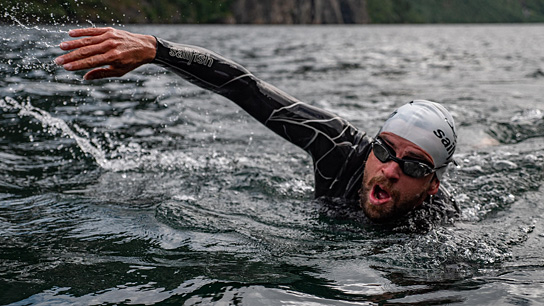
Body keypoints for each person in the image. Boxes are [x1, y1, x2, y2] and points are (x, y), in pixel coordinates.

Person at [54, 27, 458, 225]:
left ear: (432, 184)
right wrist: (158, 51)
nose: (389, 169)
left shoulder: (437, 225)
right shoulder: (338, 148)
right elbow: (247, 89)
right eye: (384, 150)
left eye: (414, 166)